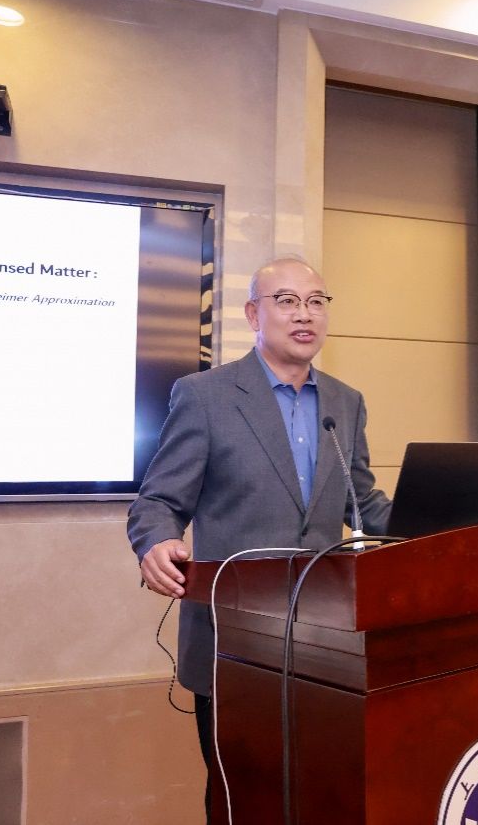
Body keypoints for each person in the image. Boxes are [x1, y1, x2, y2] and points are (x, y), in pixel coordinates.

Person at [127, 256, 391, 818]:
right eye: (287, 301)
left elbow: (361, 502)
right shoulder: (205, 396)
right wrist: (155, 541)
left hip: (326, 644)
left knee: (320, 795)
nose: (305, 315)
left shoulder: (345, 402)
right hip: (235, 643)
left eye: (316, 301)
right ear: (253, 314)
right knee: (242, 800)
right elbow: (158, 501)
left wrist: (440, 522)